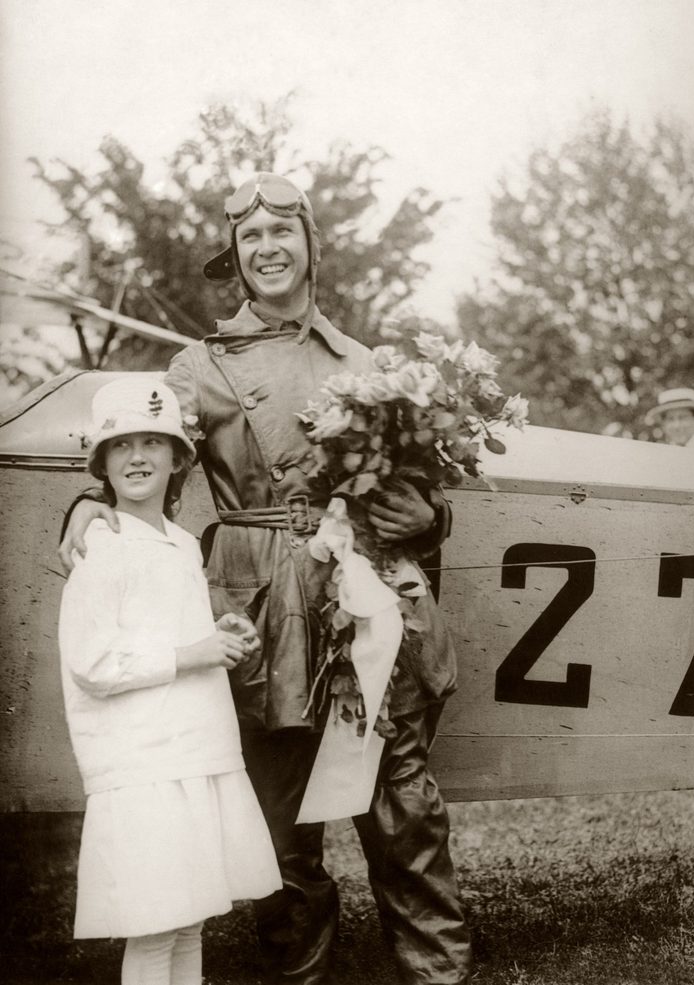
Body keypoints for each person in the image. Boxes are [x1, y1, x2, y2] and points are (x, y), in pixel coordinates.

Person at [59, 172, 472, 985]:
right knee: (280, 825)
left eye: (283, 232)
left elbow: (425, 492)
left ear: (311, 245)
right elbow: (139, 450)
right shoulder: (200, 365)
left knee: (403, 806)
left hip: (365, 598)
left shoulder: (367, 362)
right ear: (236, 259)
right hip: (260, 603)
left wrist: (426, 519)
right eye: (251, 238)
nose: (268, 249)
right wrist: (85, 501)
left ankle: (440, 976)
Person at [58, 377, 282, 985]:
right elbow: (93, 662)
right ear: (101, 463)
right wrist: (193, 653)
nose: (136, 457)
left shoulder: (182, 544)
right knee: (156, 927)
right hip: (144, 766)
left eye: (152, 443)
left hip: (197, 754)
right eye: (120, 445)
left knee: (190, 921)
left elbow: (175, 632)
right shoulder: (101, 546)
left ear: (180, 457)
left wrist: (224, 636)